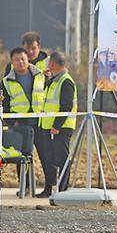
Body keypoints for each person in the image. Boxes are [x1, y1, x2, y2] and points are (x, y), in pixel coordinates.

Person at [1, 47, 45, 185]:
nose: (20, 62)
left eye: (23, 59)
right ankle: (24, 185)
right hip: (20, 124)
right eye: (17, 59)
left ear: (28, 60)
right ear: (12, 62)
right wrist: (11, 122)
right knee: (22, 156)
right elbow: (3, 104)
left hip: (40, 122)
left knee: (45, 155)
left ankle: (49, 186)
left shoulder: (40, 76)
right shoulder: (7, 81)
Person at [36, 51, 77, 198]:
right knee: (49, 159)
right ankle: (50, 188)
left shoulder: (66, 81)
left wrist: (57, 126)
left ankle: (62, 190)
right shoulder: (53, 80)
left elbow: (66, 106)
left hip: (60, 128)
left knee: (61, 159)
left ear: (52, 63)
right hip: (48, 127)